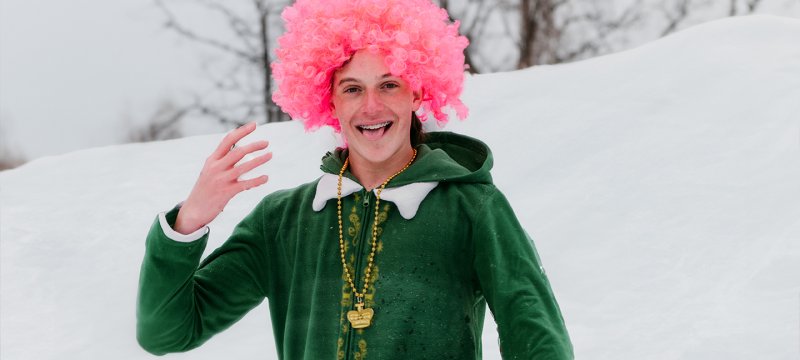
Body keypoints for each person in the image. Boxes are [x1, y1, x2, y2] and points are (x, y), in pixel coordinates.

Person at [136, 0, 574, 359]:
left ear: (418, 92)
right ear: (327, 99)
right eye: (352, 88)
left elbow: (536, 336)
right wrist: (190, 220)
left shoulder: (472, 208)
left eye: (389, 85)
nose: (371, 107)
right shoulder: (282, 221)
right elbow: (167, 334)